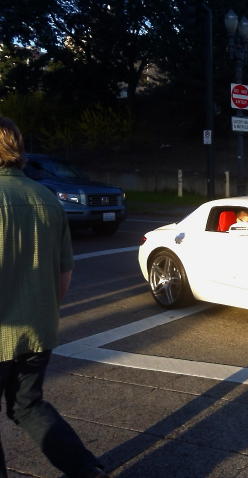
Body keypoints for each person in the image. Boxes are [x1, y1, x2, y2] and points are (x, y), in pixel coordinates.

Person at [0, 117, 107, 478]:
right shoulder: (46, 197)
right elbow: (64, 274)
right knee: (28, 405)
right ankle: (85, 469)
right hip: (38, 330)